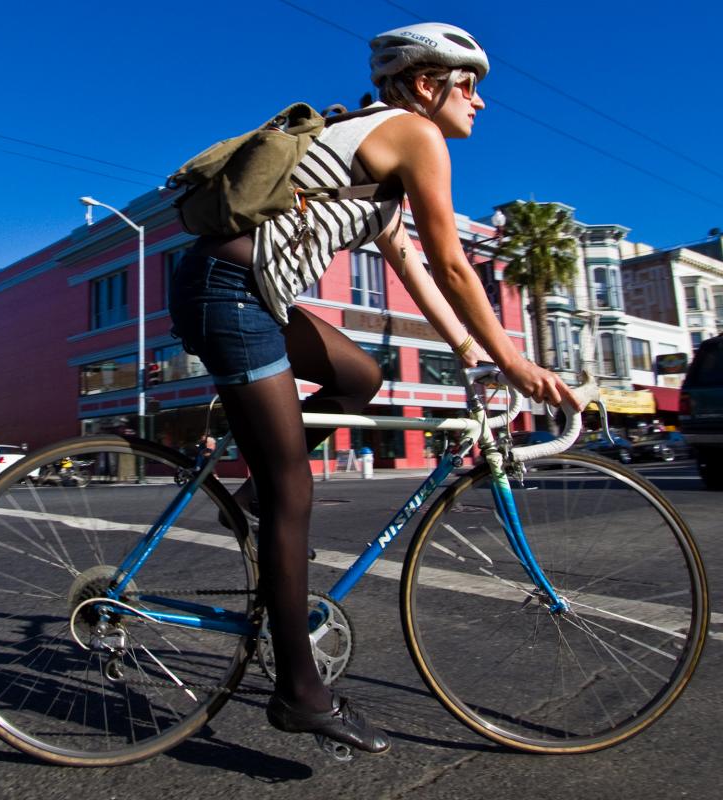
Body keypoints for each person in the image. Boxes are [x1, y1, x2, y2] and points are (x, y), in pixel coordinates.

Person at [169, 21, 578, 756]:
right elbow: (457, 265)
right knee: (297, 493)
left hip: (242, 289)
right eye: (471, 86)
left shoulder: (376, 145)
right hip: (230, 289)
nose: (480, 103)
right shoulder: (415, 137)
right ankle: (298, 693)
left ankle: (266, 490)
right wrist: (515, 362)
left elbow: (418, 271)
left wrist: (468, 352)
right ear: (429, 86)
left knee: (360, 375)